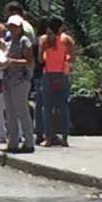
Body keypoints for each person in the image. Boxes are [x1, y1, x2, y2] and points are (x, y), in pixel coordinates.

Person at [38, 16, 75, 147]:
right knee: (63, 107)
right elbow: (72, 59)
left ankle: (48, 138)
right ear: (61, 27)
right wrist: (64, 57)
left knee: (47, 108)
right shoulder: (67, 40)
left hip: (48, 74)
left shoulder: (44, 40)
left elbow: (41, 60)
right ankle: (64, 138)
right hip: (63, 74)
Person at [3, 15, 35, 154]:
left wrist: (12, 62)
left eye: (15, 26)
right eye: (10, 26)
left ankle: (29, 142)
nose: (12, 28)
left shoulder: (24, 41)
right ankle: (13, 142)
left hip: (20, 80)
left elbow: (29, 61)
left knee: (22, 112)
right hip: (8, 79)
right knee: (10, 112)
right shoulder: (9, 41)